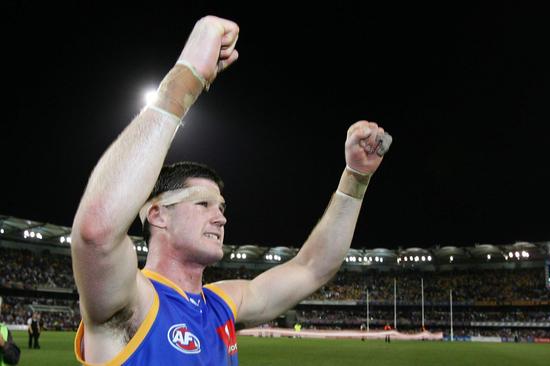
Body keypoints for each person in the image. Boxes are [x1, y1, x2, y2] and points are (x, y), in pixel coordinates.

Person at [71, 15, 391, 365]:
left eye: (221, 207)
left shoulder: (223, 304)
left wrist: (355, 178)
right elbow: (96, 231)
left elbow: (314, 267)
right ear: (158, 214)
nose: (220, 218)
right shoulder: (132, 301)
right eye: (204, 203)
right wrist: (185, 81)